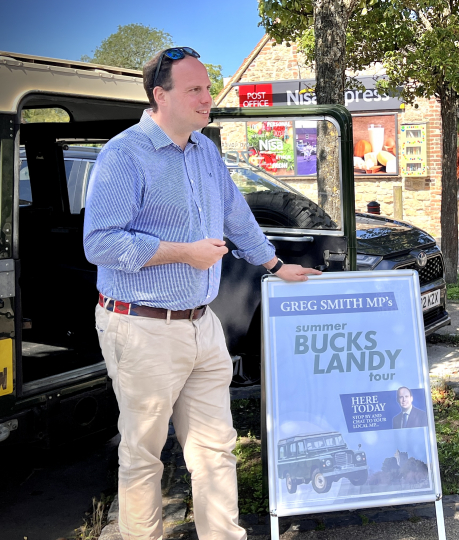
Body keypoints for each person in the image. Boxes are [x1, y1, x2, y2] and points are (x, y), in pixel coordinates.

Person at [83, 47, 321, 540]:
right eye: (194, 89)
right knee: (143, 455)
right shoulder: (124, 154)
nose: (207, 98)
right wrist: (182, 252)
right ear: (160, 95)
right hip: (141, 326)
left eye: (208, 89)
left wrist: (275, 265)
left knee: (216, 449)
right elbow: (99, 242)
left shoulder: (206, 151)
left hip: (201, 324)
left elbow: (237, 216)